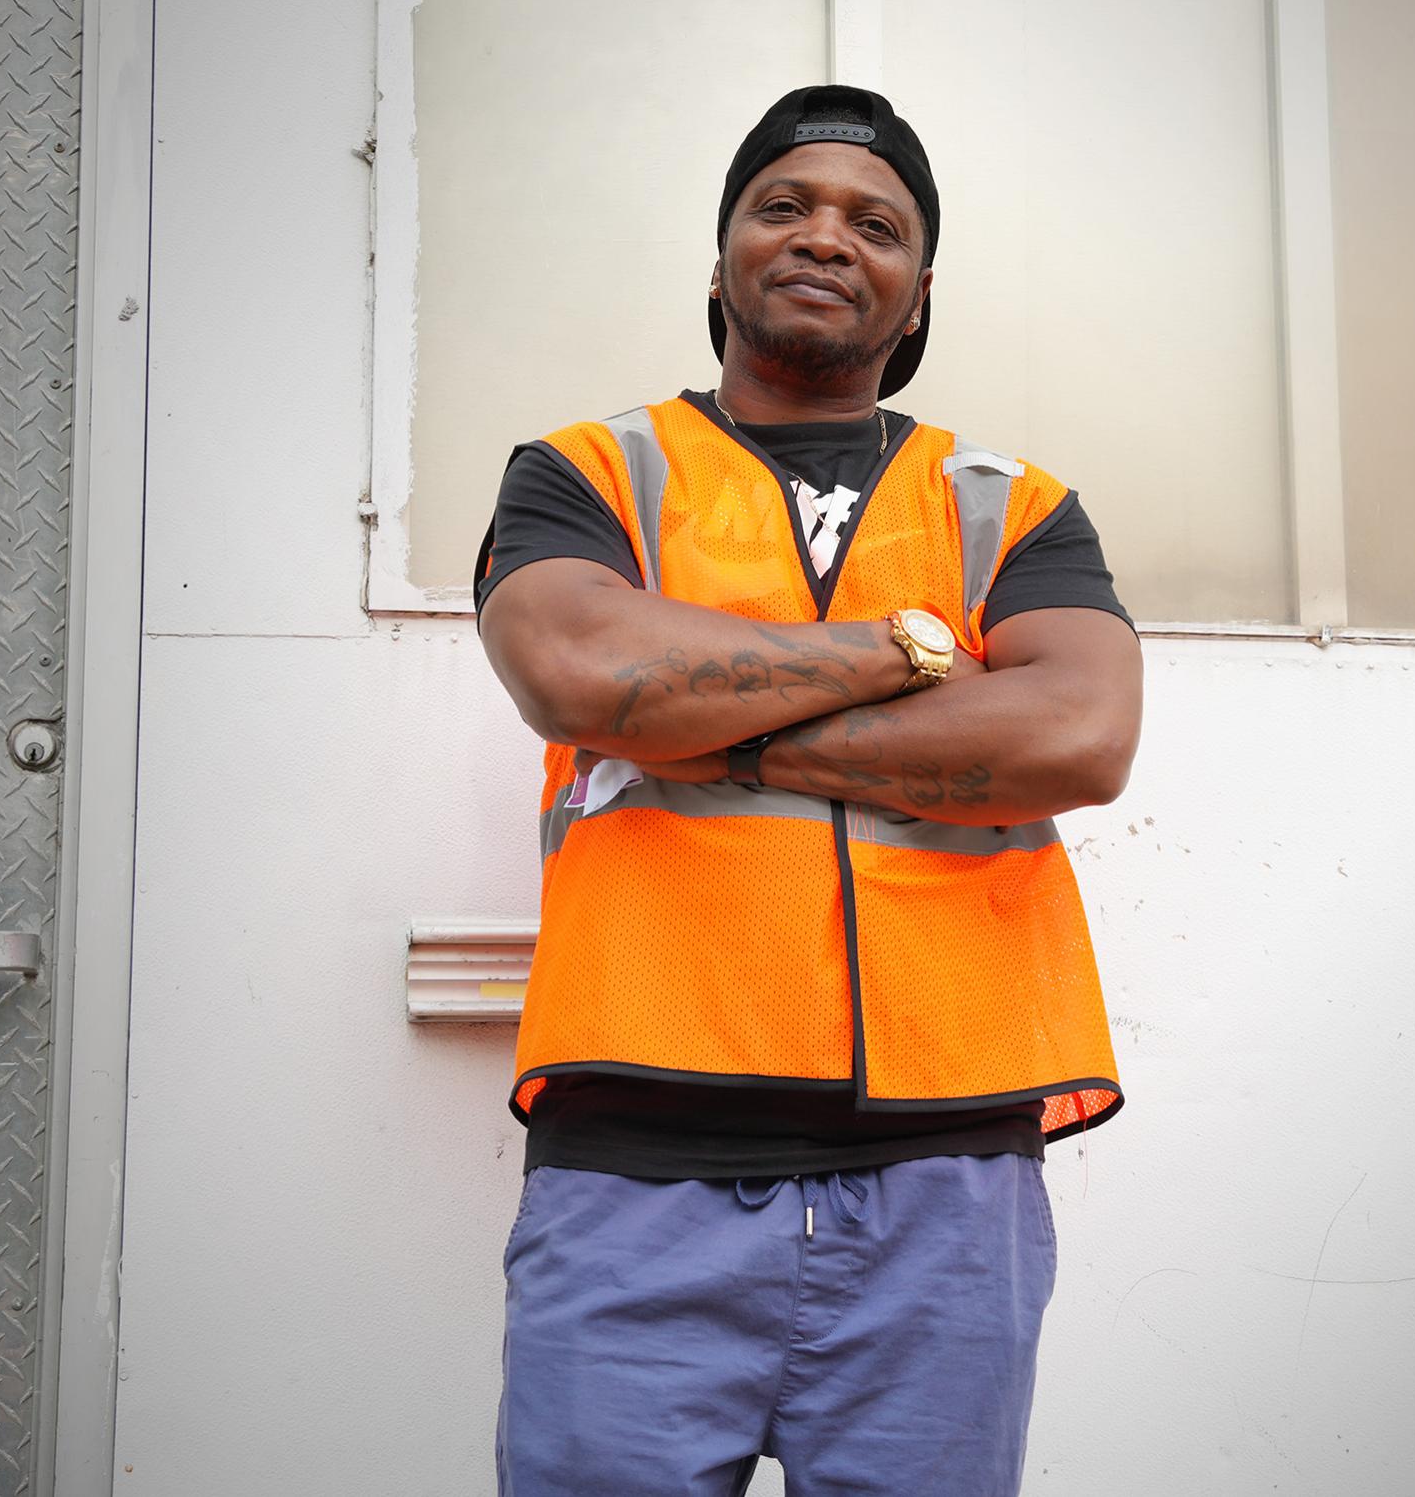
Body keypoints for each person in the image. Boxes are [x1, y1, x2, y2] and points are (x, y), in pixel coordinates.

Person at [473, 85, 1143, 1497]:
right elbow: (582, 671)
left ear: (915, 299)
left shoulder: (1007, 503)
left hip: (946, 1173)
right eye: (781, 205)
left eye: (873, 223)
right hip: (633, 1167)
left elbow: (1076, 733)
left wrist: (713, 729)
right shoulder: (592, 469)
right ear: (717, 260)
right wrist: (905, 650)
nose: (824, 236)